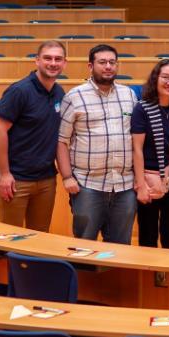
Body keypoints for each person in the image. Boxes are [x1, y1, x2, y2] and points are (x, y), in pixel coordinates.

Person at [56, 44, 137, 244]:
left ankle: (115, 277)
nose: (108, 66)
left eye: (112, 62)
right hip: (87, 185)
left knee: (121, 248)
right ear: (90, 66)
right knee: (84, 245)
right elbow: (61, 141)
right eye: (102, 62)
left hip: (124, 185)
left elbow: (137, 139)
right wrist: (67, 177)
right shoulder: (74, 96)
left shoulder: (129, 95)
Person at [0, 40, 67, 232]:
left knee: (40, 239)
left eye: (58, 59)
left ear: (64, 63)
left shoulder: (59, 92)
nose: (53, 63)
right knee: (9, 239)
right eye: (47, 58)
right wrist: (4, 174)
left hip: (46, 180)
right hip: (16, 179)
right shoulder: (19, 91)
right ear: (37, 61)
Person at [131, 59, 169, 249]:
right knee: (148, 235)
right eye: (165, 77)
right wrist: (140, 186)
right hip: (148, 178)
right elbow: (136, 149)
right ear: (155, 79)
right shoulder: (142, 108)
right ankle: (148, 278)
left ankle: (168, 278)